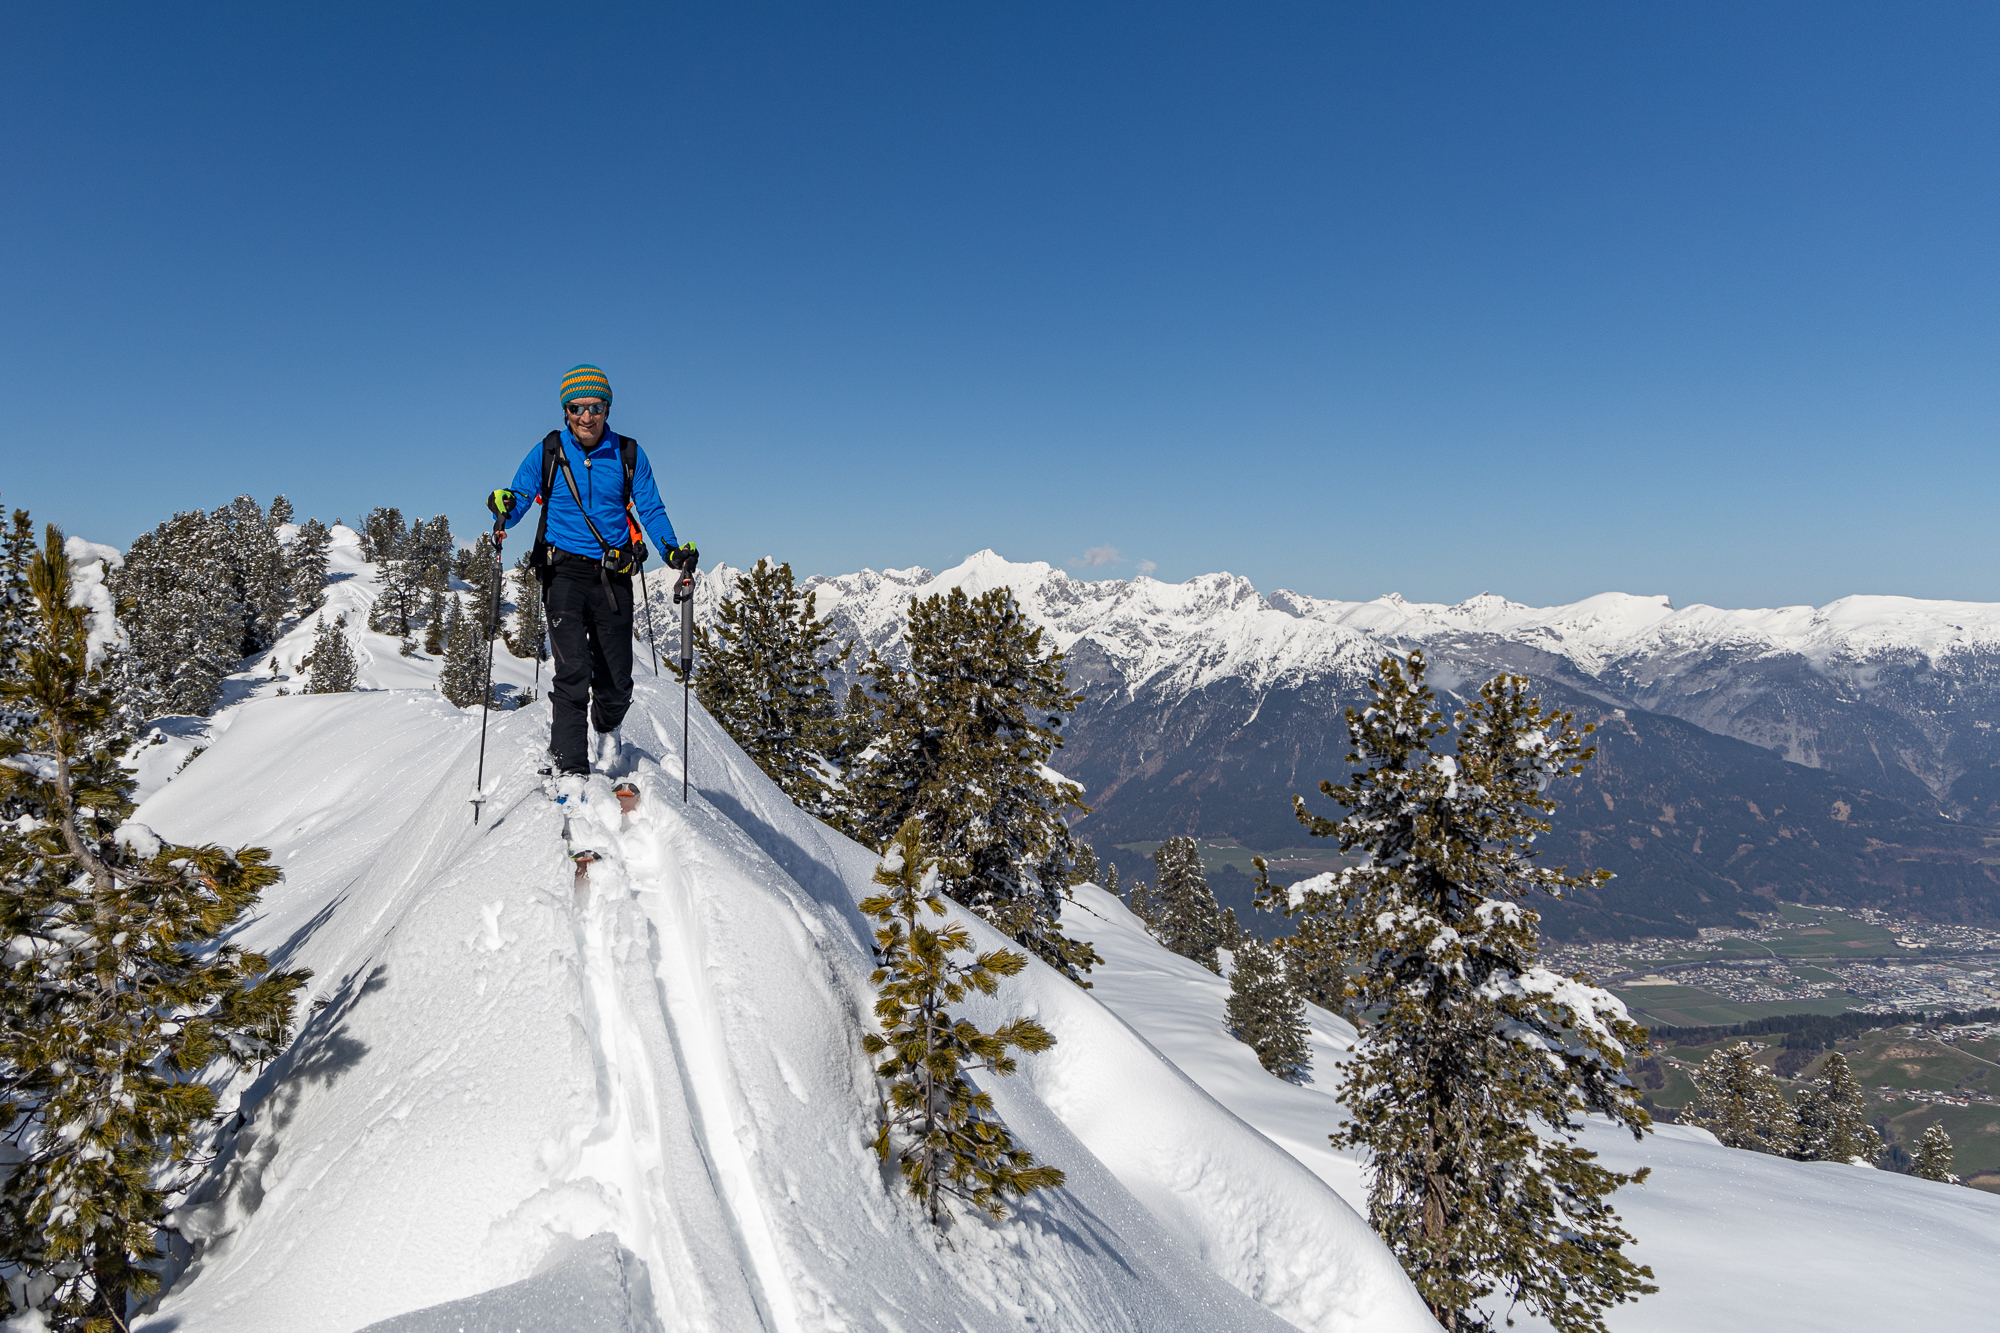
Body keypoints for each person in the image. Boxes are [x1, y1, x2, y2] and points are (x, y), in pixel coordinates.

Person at [487, 364, 695, 777]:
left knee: (617, 677)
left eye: (595, 406)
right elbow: (521, 496)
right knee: (573, 670)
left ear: (607, 409)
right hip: (561, 572)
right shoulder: (548, 451)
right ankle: (571, 765)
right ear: (566, 411)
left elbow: (651, 508)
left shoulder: (628, 453)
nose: (586, 416)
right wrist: (503, 512)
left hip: (613, 575)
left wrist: (673, 552)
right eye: (577, 407)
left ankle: (608, 726)